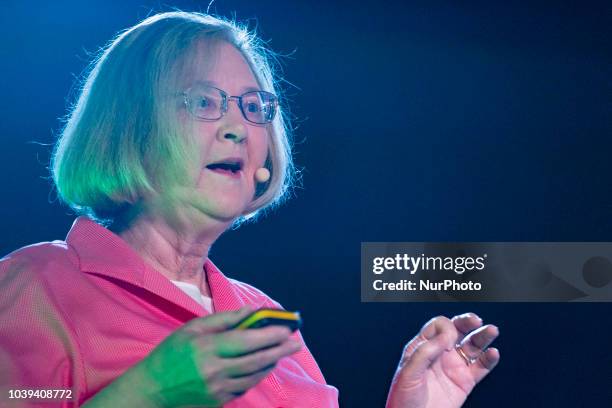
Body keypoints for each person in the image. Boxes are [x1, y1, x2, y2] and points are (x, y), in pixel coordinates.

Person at [0, 11, 500, 408]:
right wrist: (147, 395)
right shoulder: (35, 288)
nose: (238, 126)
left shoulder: (263, 315)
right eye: (203, 102)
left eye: (253, 106)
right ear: (132, 130)